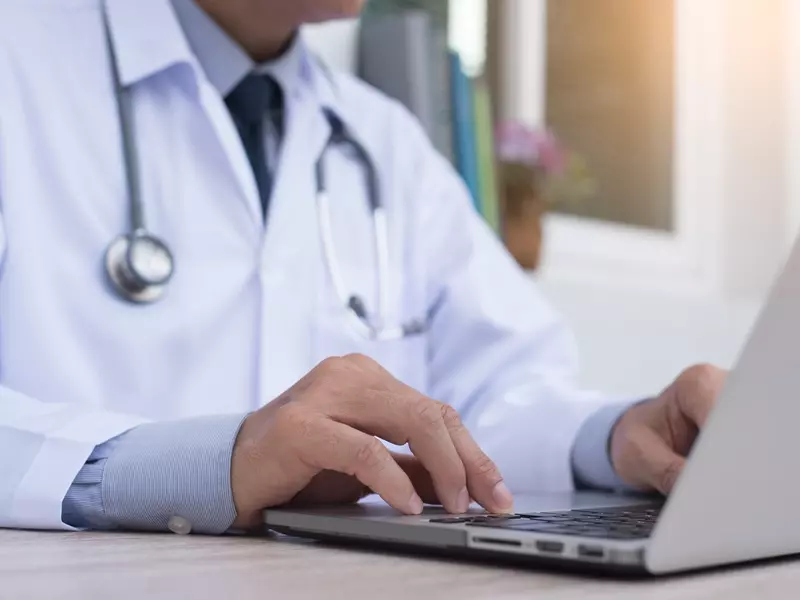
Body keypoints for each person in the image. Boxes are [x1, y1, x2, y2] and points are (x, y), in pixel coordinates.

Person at [0, 0, 726, 534]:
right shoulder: (19, 59)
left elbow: (501, 389)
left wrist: (618, 434)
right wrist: (207, 466)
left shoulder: (384, 142)